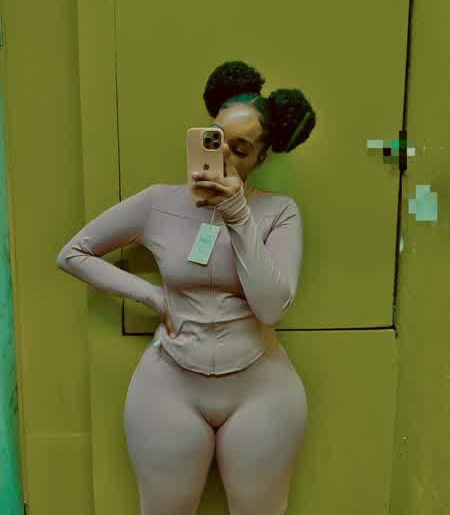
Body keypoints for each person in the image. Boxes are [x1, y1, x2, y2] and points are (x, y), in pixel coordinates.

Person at [56, 60, 317, 515]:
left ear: (261, 159)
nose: (224, 156)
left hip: (261, 389)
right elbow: (73, 253)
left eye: (241, 149)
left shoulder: (279, 211)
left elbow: (272, 308)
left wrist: (237, 215)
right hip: (170, 384)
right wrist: (151, 295)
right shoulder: (158, 202)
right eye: (216, 139)